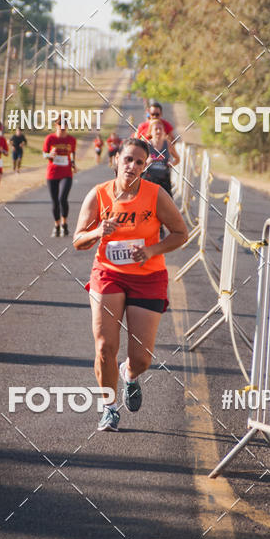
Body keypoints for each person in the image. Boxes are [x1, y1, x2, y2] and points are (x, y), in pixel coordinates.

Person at [73, 138, 188, 432]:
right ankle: (109, 409)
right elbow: (78, 241)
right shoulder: (98, 195)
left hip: (148, 276)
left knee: (142, 358)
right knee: (104, 346)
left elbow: (179, 233)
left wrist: (151, 250)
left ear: (146, 165)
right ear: (116, 160)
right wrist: (98, 230)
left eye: (139, 162)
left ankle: (130, 374)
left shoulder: (155, 194)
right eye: (127, 160)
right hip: (108, 274)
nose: (132, 166)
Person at [43, 116, 77, 237]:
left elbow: (72, 154)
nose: (62, 129)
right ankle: (56, 225)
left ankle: (64, 224)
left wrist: (73, 164)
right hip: (52, 174)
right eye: (59, 126)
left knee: (62, 198)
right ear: (56, 126)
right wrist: (49, 154)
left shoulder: (71, 140)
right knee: (55, 202)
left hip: (66, 173)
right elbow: (44, 154)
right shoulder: (50, 138)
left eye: (64, 127)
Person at [142, 118, 180, 197]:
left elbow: (177, 159)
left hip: (164, 180)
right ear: (151, 131)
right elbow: (139, 163)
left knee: (167, 206)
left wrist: (171, 164)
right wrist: (147, 161)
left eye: (160, 129)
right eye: (156, 129)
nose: (158, 131)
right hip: (149, 179)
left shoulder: (168, 144)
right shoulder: (146, 145)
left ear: (163, 131)